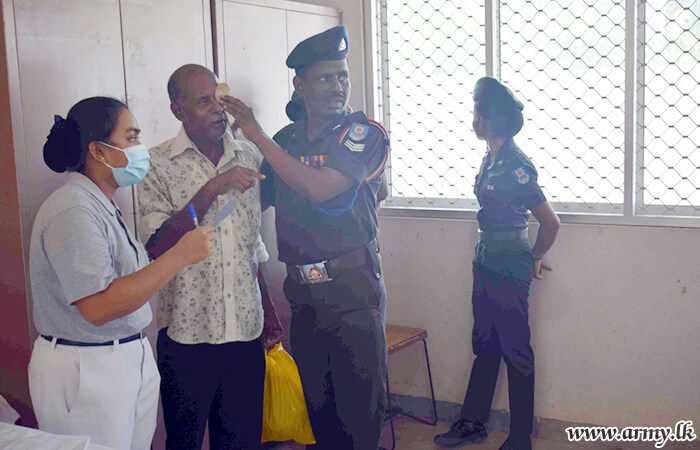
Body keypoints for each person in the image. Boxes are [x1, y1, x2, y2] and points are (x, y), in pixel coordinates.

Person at [222, 25, 390, 449]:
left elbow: (319, 187)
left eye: (342, 76)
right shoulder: (288, 140)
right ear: (299, 85)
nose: (337, 86)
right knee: (320, 413)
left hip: (353, 292)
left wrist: (255, 134)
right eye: (325, 77)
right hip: (304, 293)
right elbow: (258, 200)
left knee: (360, 417)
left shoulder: (363, 133)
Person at [28, 96, 215, 450]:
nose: (139, 148)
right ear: (98, 152)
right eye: (130, 139)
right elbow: (97, 307)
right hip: (87, 367)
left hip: (124, 356)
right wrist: (179, 256)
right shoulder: (74, 210)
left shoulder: (102, 203)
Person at [137, 64, 282, 450]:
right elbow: (157, 244)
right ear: (177, 110)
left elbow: (253, 246)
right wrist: (211, 189)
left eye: (218, 100)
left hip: (245, 332)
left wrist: (268, 310)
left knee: (240, 442)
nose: (218, 110)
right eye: (204, 102)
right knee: (183, 441)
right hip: (188, 338)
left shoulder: (249, 156)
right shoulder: (156, 164)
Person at [433, 77, 560, 450]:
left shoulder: (516, 165)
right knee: (485, 343)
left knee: (516, 350)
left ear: (487, 118)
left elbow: (550, 223)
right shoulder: (491, 157)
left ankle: (520, 437)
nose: (472, 118)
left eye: (475, 111)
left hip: (508, 261)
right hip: (487, 257)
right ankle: (473, 424)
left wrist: (532, 257)